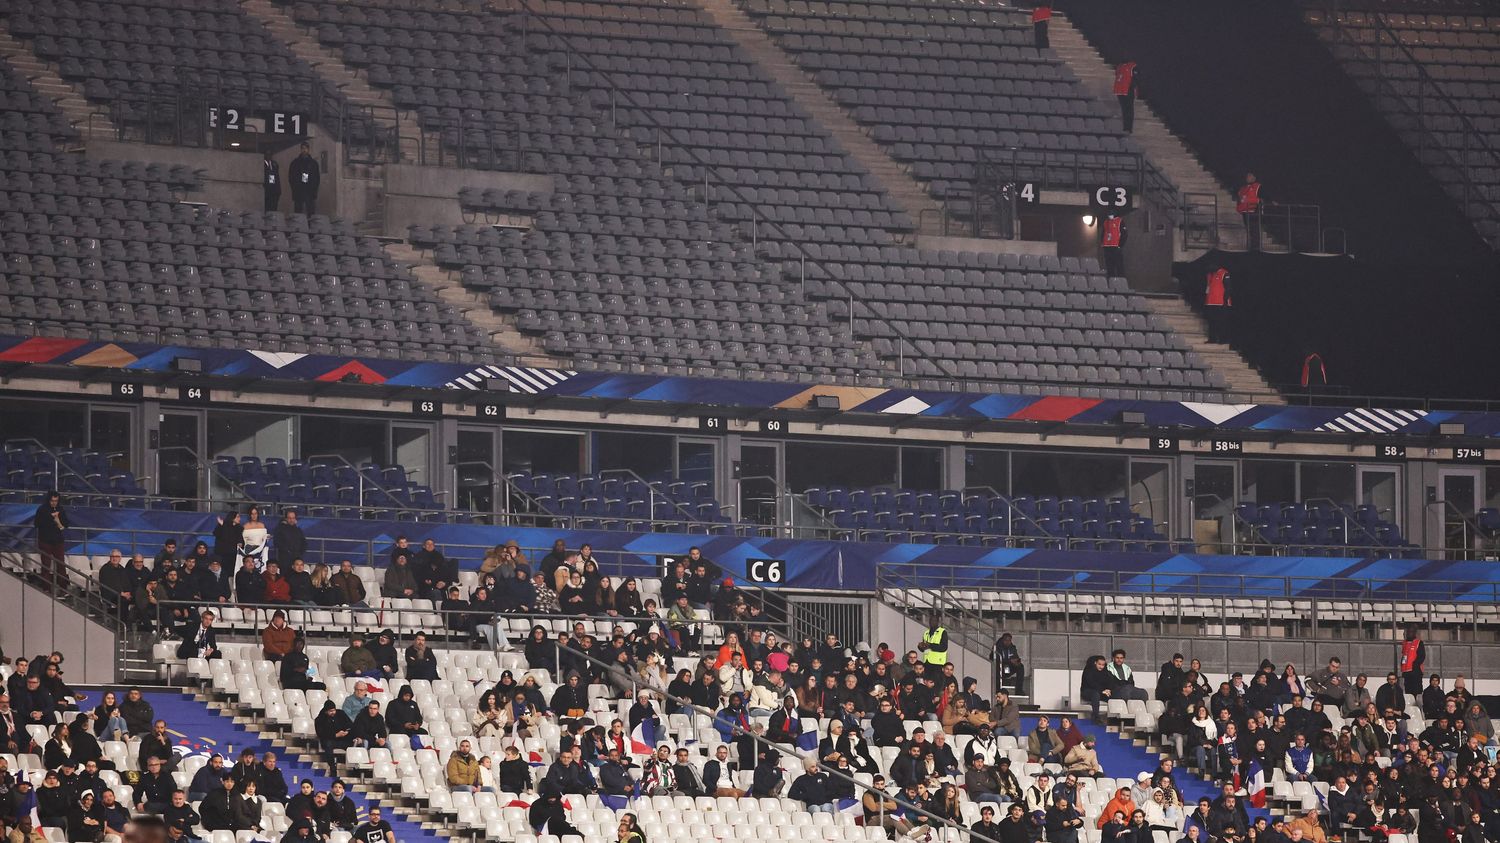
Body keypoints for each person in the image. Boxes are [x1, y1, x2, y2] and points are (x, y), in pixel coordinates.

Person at [32, 491, 68, 588]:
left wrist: (57, 520)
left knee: (61, 564)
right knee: (46, 565)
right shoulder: (42, 509)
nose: (54, 503)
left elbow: (65, 524)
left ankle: (63, 587)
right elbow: (36, 524)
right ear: (48, 500)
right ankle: (46, 587)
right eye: (52, 501)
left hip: (58, 542)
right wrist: (49, 519)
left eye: (56, 501)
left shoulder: (61, 509)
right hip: (45, 541)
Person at [289, 142, 320, 214]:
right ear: (300, 149)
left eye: (306, 148)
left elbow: (317, 178)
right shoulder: (295, 163)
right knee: (298, 210)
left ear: (308, 150)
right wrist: (295, 188)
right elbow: (291, 177)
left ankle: (309, 225)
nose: (304, 150)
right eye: (303, 148)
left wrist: (314, 190)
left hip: (310, 191)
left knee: (310, 210)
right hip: (299, 190)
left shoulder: (313, 163)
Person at [1204, 267, 1232, 344]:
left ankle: (1223, 339)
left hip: (1221, 303)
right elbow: (1208, 288)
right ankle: (1212, 339)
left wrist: (1225, 301)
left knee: (1222, 322)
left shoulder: (1224, 273)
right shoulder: (1209, 274)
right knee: (1212, 322)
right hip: (1210, 302)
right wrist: (1206, 301)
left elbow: (1228, 288)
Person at [1237, 172, 1263, 251]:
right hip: (1245, 211)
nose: (1247, 177)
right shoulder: (1243, 188)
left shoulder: (1258, 186)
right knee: (1249, 230)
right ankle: (1252, 246)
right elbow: (1240, 198)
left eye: (1250, 176)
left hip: (1254, 211)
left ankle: (1256, 248)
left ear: (1254, 178)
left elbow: (1263, 197)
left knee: (1254, 230)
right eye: (1247, 175)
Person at [1113, 61, 1138, 133]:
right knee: (1127, 110)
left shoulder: (1122, 66)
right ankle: (1127, 128)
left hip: (1123, 90)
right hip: (1124, 90)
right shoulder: (1125, 66)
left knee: (1126, 110)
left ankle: (1127, 128)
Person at [1400, 627, 1425, 696]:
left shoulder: (1419, 642)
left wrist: (1415, 665)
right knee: (1408, 691)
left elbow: (1422, 656)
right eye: (1408, 632)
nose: (1409, 634)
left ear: (1414, 633)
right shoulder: (1404, 643)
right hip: (1406, 672)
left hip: (1415, 672)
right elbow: (1404, 655)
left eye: (1411, 632)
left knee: (1416, 691)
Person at [1100, 214, 1126, 278]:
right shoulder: (1106, 222)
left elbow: (1124, 234)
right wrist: (1102, 242)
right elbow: (1103, 233)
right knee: (1109, 267)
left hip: (1116, 247)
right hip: (1107, 247)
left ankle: (1120, 283)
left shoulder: (1119, 221)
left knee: (1119, 266)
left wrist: (1120, 245)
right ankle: (1111, 283)